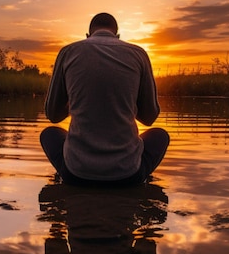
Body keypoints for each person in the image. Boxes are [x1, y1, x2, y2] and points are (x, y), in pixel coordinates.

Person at [40, 12, 169, 185]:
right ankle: (137, 180)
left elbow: (53, 115)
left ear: (87, 36)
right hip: (128, 175)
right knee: (160, 136)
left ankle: (71, 178)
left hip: (76, 175)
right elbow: (149, 118)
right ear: (117, 36)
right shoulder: (138, 54)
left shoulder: (68, 52)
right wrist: (127, 103)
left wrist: (75, 101)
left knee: (49, 134)